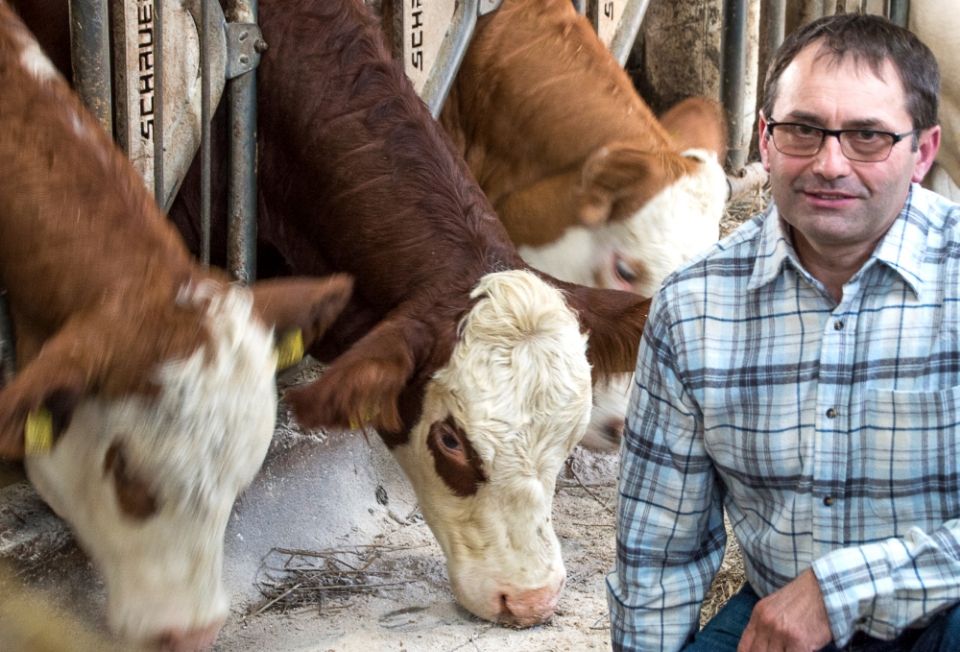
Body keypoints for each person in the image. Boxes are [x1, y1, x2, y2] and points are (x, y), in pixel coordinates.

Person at [606, 12, 960, 652]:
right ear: (765, 140)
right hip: (779, 616)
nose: (829, 163)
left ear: (923, 153)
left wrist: (838, 591)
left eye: (868, 138)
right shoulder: (693, 307)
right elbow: (659, 551)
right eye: (803, 130)